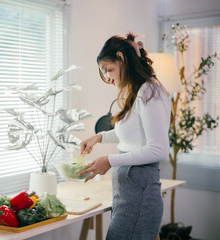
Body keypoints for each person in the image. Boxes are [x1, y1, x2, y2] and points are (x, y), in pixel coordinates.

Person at [78, 33, 171, 240]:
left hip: (139, 199)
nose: (109, 77)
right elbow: (133, 135)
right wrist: (99, 137)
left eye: (109, 70)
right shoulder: (137, 90)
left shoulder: (149, 91)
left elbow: (158, 149)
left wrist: (109, 160)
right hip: (127, 196)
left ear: (122, 58)